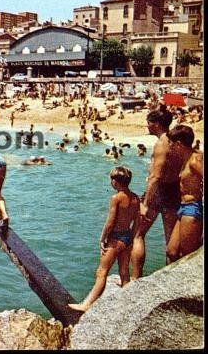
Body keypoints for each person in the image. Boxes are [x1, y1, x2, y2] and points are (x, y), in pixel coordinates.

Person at [69, 167, 140, 312]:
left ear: (116, 182)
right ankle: (129, 304)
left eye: (111, 179)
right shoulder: (135, 198)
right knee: (124, 272)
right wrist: (131, 238)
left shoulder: (116, 198)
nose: (110, 181)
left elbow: (110, 221)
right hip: (127, 236)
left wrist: (102, 238)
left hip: (115, 238)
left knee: (101, 272)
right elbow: (137, 221)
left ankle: (86, 304)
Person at [130, 107, 186, 280]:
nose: (147, 126)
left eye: (148, 122)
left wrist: (145, 203)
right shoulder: (176, 143)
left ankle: (135, 278)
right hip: (174, 191)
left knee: (137, 235)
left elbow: (155, 176)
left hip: (159, 192)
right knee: (171, 243)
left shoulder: (161, 144)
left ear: (155, 124)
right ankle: (170, 281)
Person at [165, 125, 204, 263]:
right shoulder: (186, 157)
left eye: (171, 143)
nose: (169, 146)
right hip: (184, 207)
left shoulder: (195, 160)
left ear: (179, 144)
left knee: (188, 256)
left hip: (193, 208)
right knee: (172, 251)